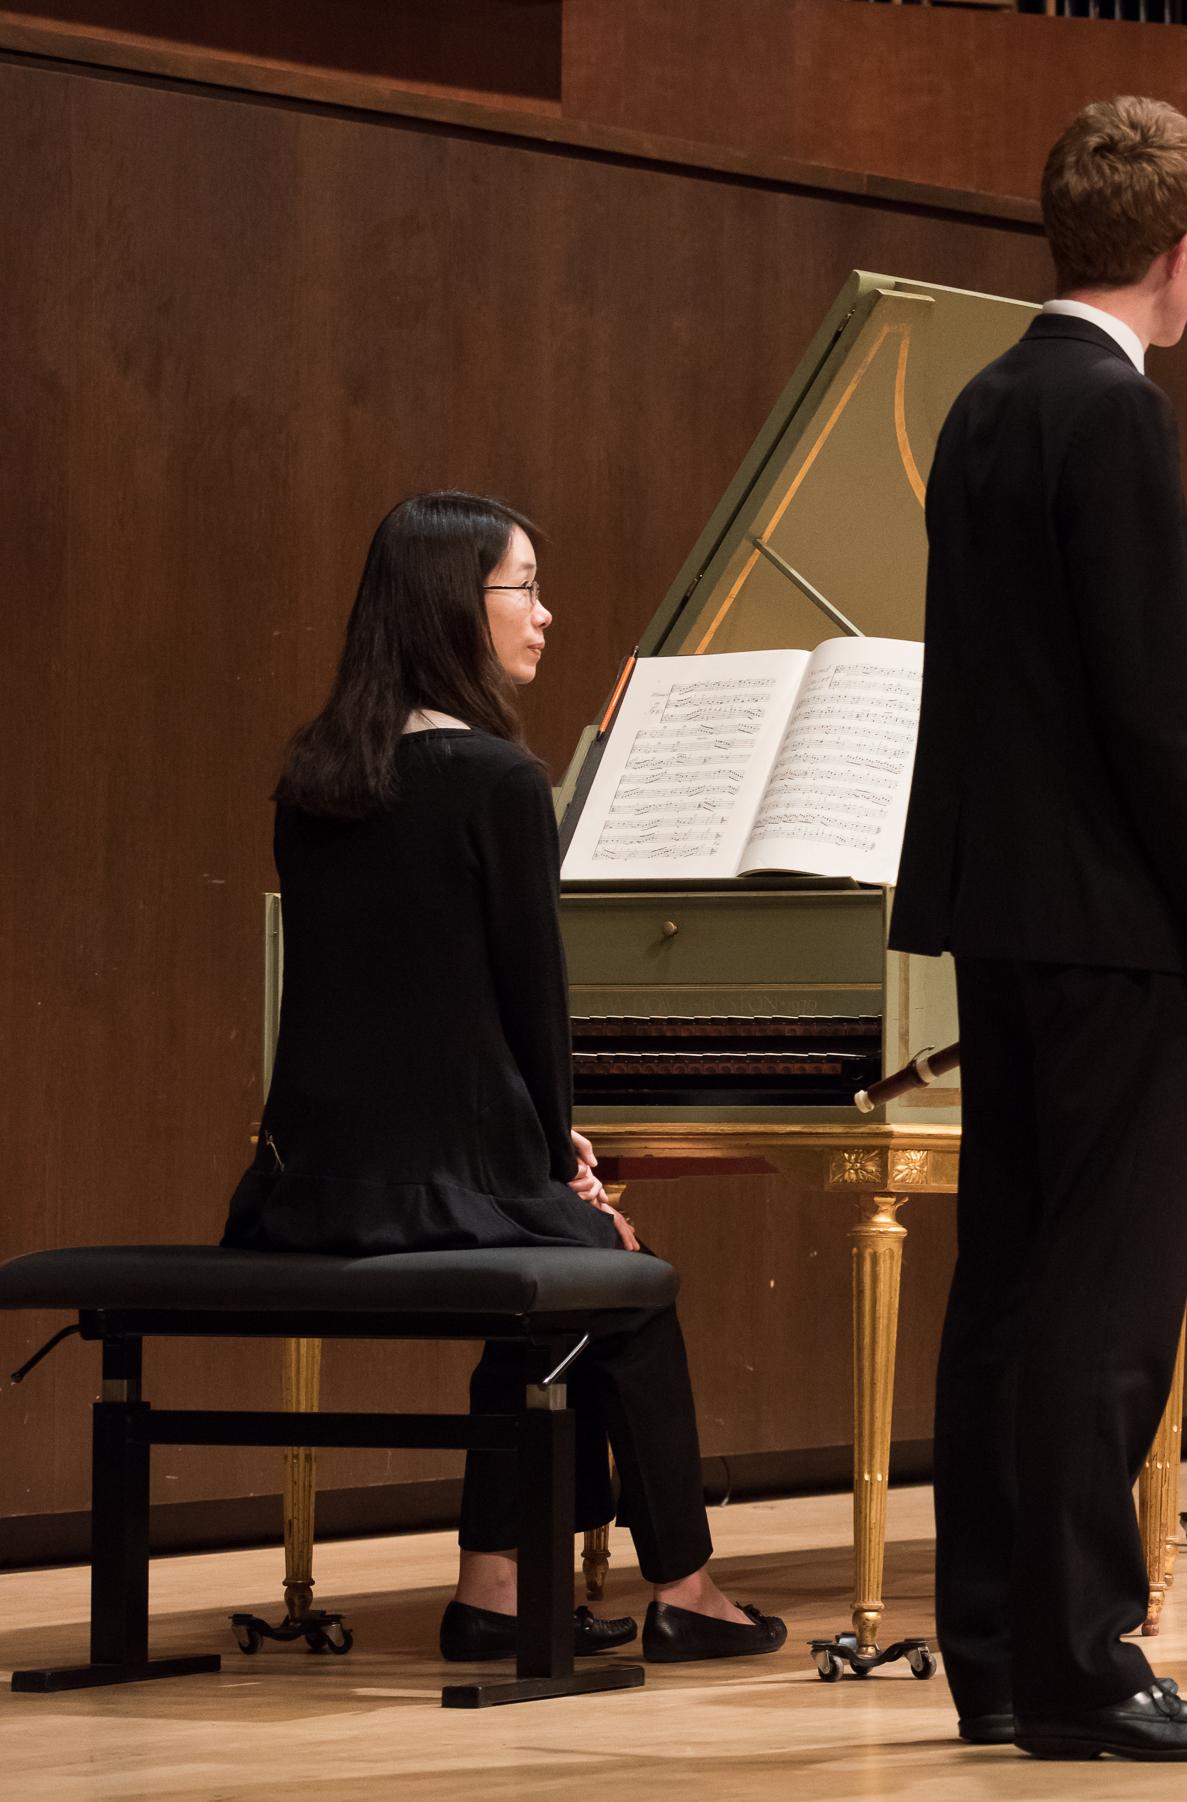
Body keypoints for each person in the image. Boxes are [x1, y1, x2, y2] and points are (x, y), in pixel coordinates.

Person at [225, 490, 786, 1666]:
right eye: (522, 586)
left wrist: (538, 1164)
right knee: (623, 1275)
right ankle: (684, 1583)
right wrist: (556, 1158)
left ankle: (495, 1585)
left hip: (308, 1185)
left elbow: (387, 1011)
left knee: (555, 1279)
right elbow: (534, 1003)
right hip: (445, 1178)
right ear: (453, 606)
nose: (545, 611)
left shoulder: (313, 779)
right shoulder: (498, 781)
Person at [890, 98, 1187, 1762]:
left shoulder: (981, 399)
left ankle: (991, 1645)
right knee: (1106, 1303)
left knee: (1009, 1282)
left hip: (999, 911)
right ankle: (1088, 1664)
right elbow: (1150, 710)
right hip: (1113, 918)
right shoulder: (1114, 416)